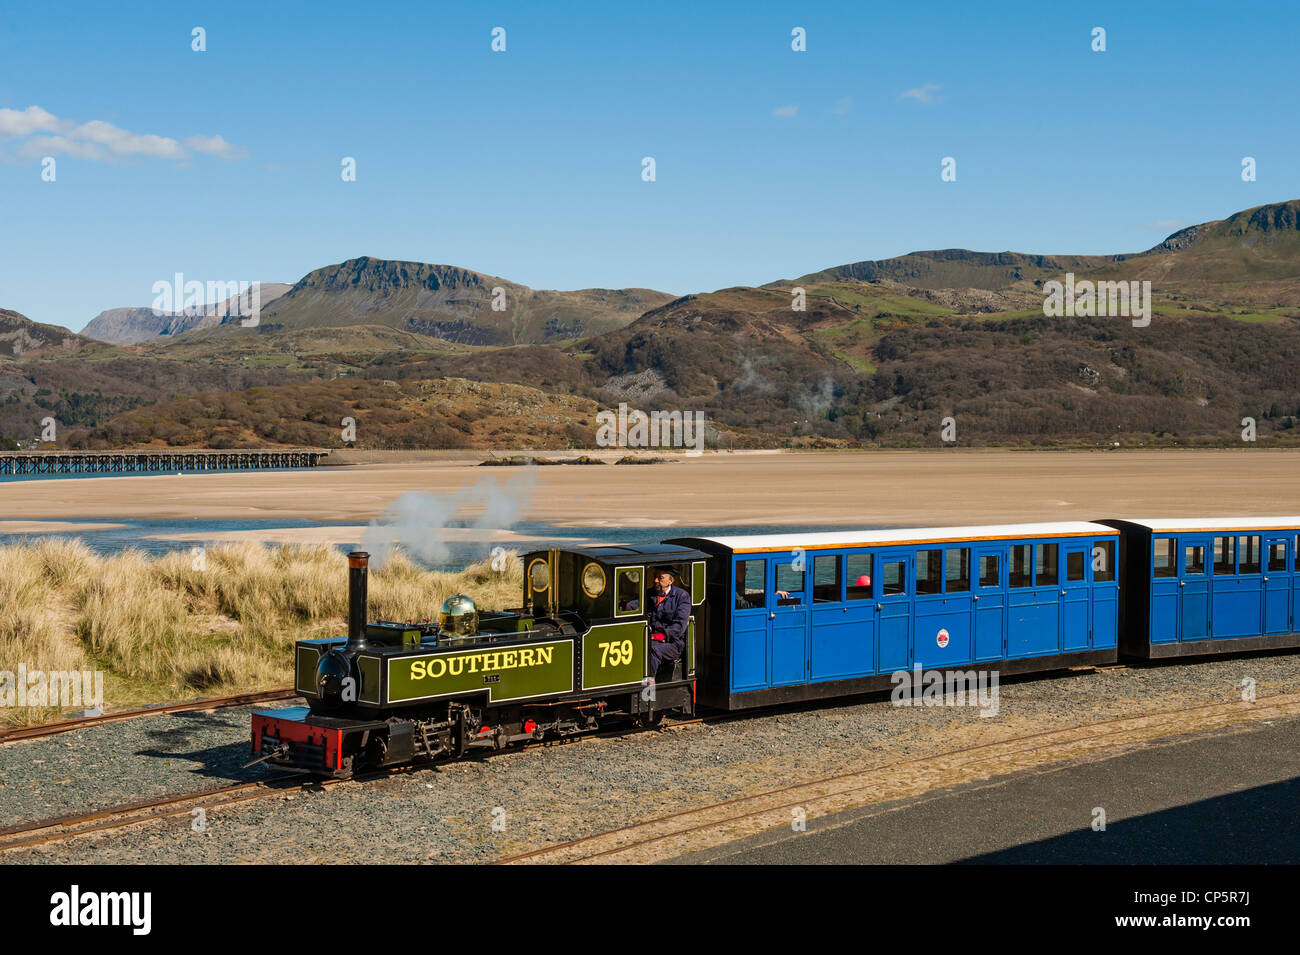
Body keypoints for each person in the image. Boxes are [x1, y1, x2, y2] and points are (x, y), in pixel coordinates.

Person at [646, 566, 691, 682]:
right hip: (650, 637)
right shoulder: (649, 594)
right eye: (655, 577)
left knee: (652, 650)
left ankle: (648, 690)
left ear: (670, 581)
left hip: (673, 643)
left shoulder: (682, 596)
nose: (655, 580)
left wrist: (663, 635)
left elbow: (680, 626)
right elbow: (634, 606)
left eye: (660, 578)